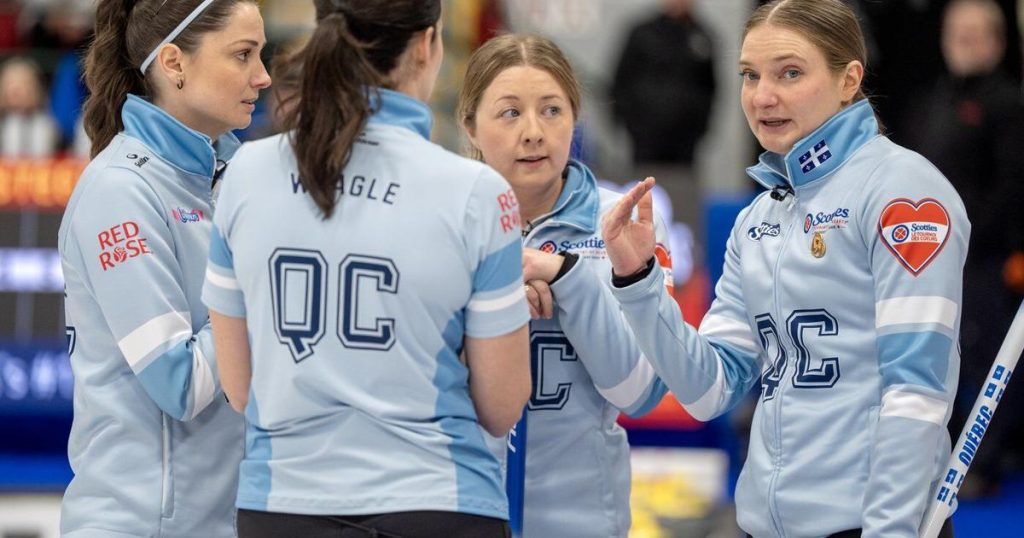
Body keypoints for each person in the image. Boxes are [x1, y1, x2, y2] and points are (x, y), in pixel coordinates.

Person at [602, 1, 968, 536]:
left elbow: (917, 390)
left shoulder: (904, 192)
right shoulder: (759, 218)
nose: (762, 96)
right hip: (761, 526)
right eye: (750, 75)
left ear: (849, 80)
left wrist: (890, 529)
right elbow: (709, 391)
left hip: (868, 526)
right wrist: (638, 285)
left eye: (790, 73)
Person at [201, 1, 531, 537]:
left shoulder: (245, 174)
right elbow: (501, 406)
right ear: (426, 46)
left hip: (283, 506)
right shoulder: (477, 193)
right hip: (438, 504)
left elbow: (240, 388)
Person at [58, 1, 270, 536]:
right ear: (174, 62)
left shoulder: (243, 176)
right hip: (136, 524)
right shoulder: (119, 191)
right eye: (243, 55)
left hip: (232, 518)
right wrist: (261, 271)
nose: (263, 76)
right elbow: (179, 382)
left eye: (261, 54)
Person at [457, 34, 672, 538]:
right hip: (456, 509)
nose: (534, 132)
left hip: (582, 518)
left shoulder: (621, 222)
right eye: (510, 113)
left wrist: (569, 280)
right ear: (470, 124)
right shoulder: (439, 223)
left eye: (552, 110)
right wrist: (486, 297)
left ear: (575, 118)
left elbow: (640, 393)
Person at [901, 0, 1024, 499]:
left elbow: (1014, 187)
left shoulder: (1009, 104)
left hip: (988, 261)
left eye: (976, 35)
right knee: (934, 359)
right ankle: (936, 456)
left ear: (996, 42)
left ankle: (987, 461)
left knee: (989, 364)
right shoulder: (928, 103)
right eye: (957, 34)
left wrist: (979, 239)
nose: (964, 44)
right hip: (927, 263)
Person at [609, 0, 715, 234]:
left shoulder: (702, 37)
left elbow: (710, 89)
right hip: (645, 142)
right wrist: (630, 125)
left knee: (683, 204)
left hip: (685, 147)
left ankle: (686, 257)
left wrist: (700, 129)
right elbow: (620, 82)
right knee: (643, 194)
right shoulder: (641, 33)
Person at [0, 56, 58, 158]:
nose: (17, 91)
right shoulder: (4, 125)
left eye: (24, 84)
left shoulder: (47, 125)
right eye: (11, 84)